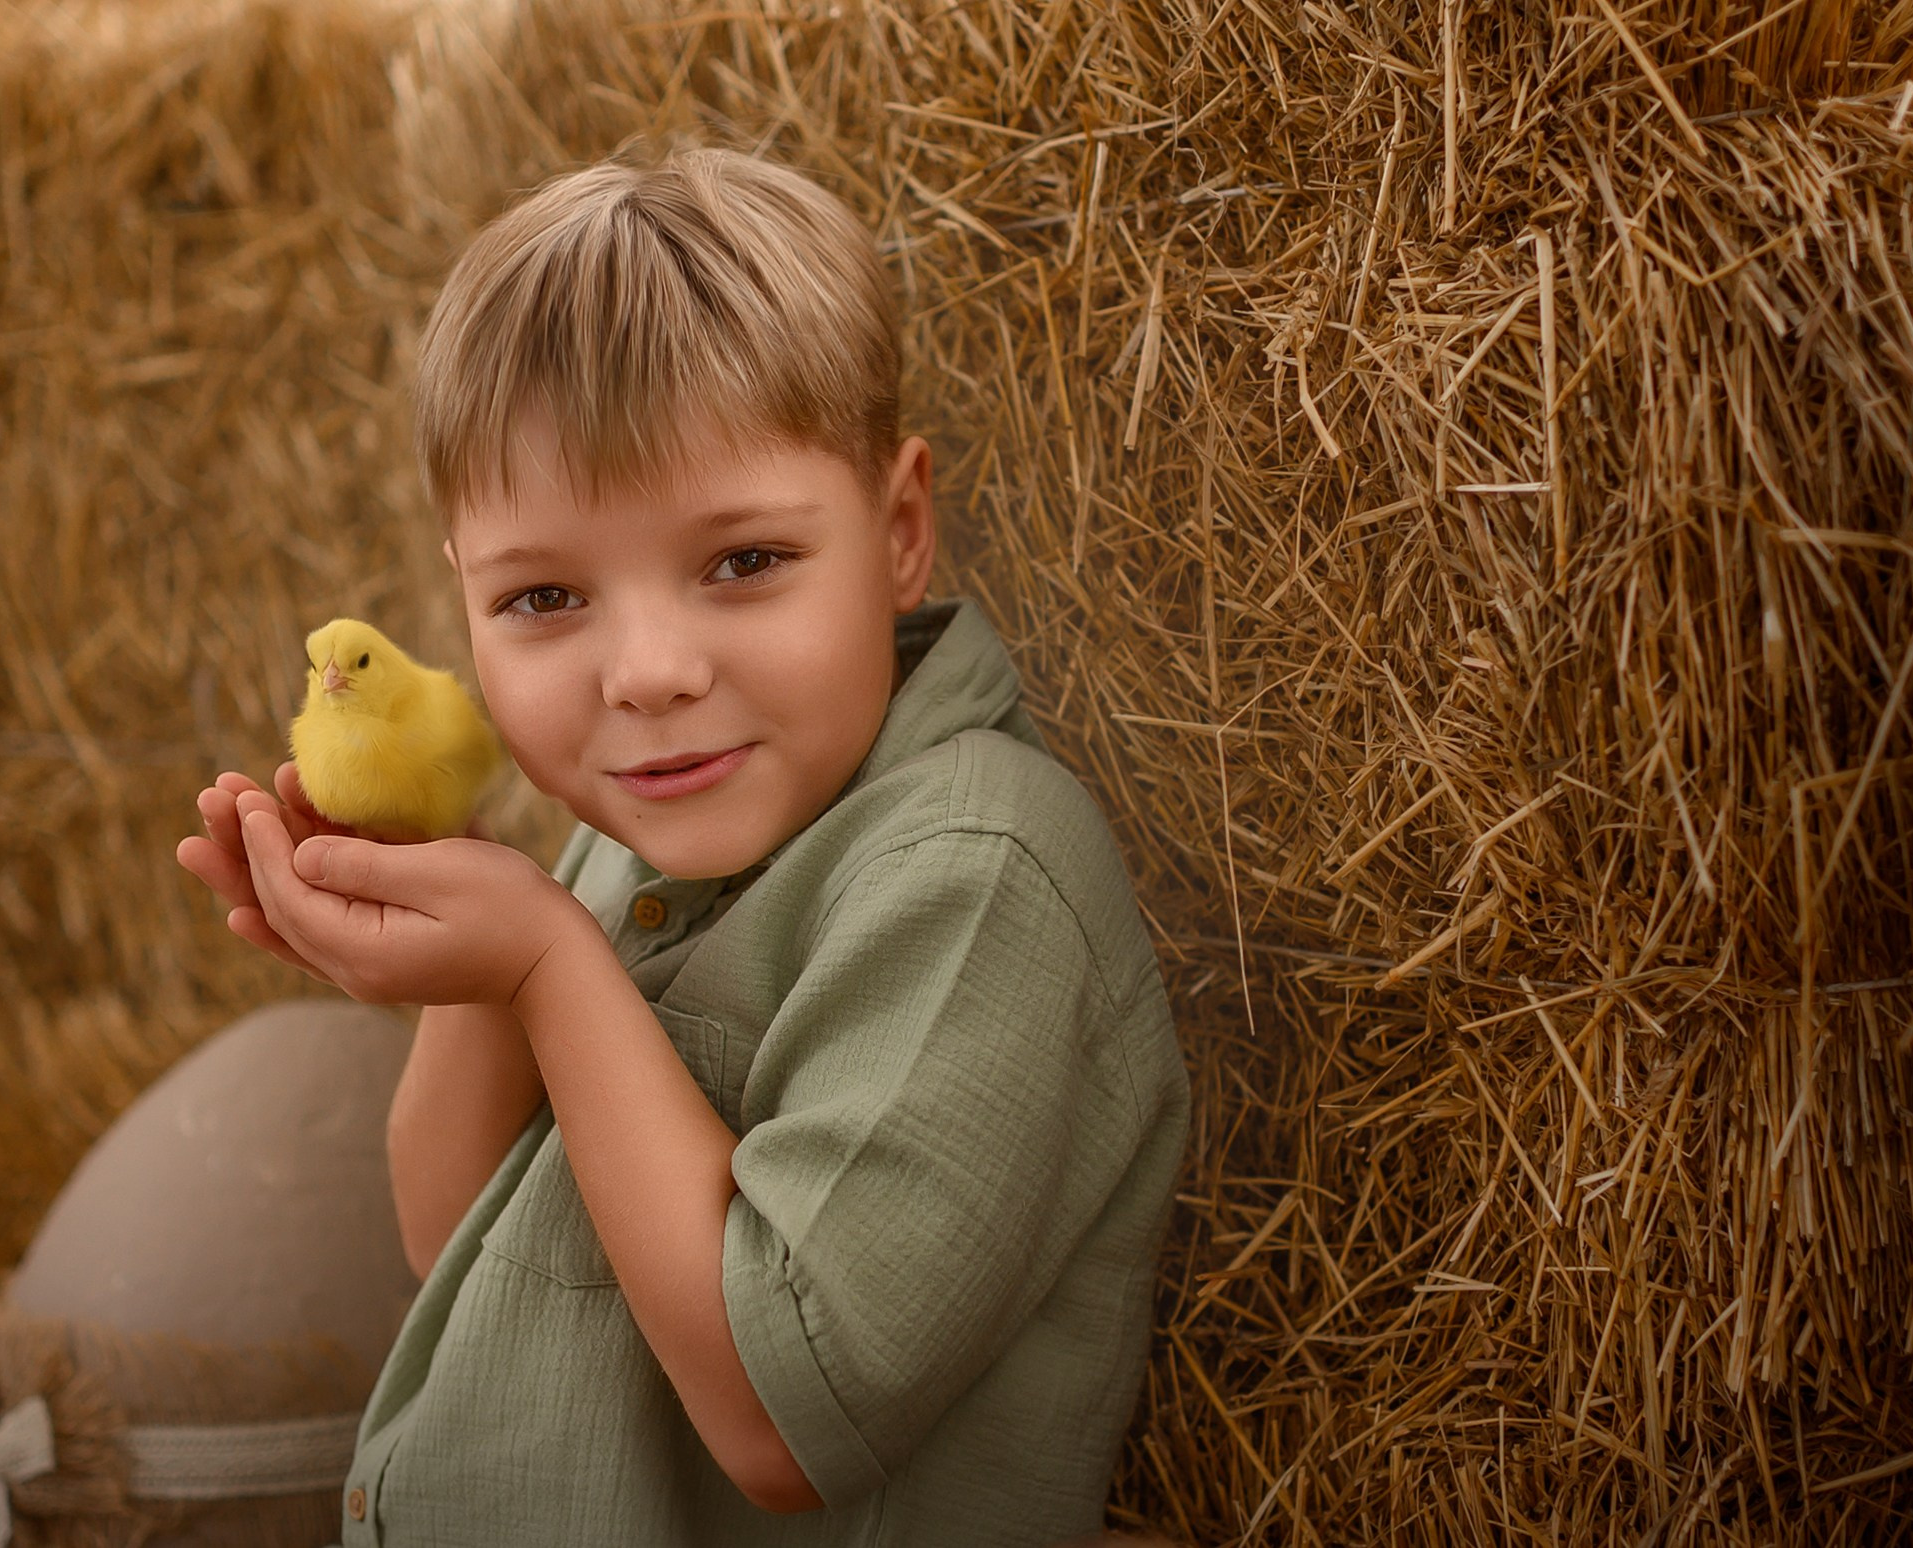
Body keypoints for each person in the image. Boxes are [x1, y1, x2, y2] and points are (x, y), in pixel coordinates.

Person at [176, 141, 1189, 1548]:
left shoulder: (976, 876)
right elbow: (449, 1237)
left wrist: (541, 966)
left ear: (898, 533)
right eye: (545, 597)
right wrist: (466, 934)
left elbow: (785, 1416)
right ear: (461, 596)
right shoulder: (626, 845)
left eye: (742, 563)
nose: (646, 672)